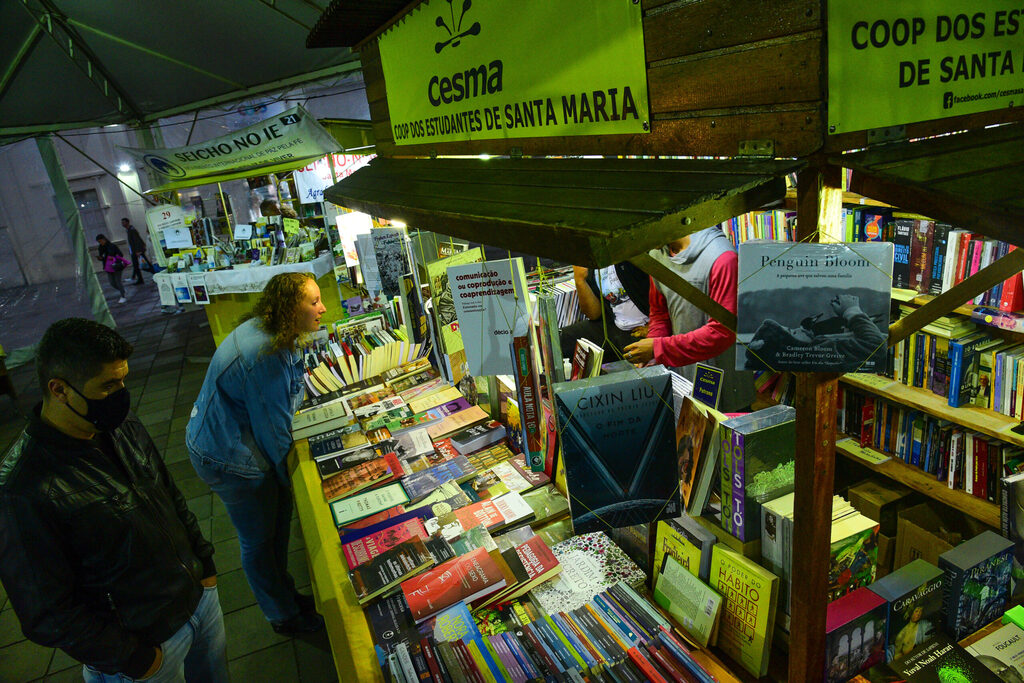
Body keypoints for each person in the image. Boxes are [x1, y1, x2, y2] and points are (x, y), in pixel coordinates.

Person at [0, 319, 226, 683]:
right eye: (108, 385)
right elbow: (46, 611)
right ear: (59, 390)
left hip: (198, 604)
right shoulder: (21, 490)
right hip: (145, 649)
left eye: (123, 380)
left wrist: (204, 561)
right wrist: (131, 657)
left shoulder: (119, 424)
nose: (122, 394)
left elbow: (166, 491)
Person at [186, 272, 327, 635]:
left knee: (273, 527)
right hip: (229, 458)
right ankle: (282, 615)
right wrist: (295, 488)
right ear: (288, 307)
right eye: (313, 302)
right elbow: (274, 435)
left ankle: (284, 595)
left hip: (222, 439)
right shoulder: (266, 352)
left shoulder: (268, 331)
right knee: (261, 539)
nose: (323, 308)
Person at [623, 226, 755, 412]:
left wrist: (658, 348)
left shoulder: (722, 258)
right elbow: (660, 314)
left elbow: (722, 333)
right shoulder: (657, 256)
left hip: (727, 381)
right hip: (685, 377)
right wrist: (652, 349)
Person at [560, 263, 650, 360]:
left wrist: (656, 328)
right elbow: (593, 314)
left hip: (645, 326)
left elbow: (664, 292)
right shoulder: (593, 267)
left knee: (635, 365)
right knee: (558, 341)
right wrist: (580, 280)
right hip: (614, 324)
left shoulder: (632, 257)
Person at [96, 233, 128, 303]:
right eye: (99, 242)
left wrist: (113, 257)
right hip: (108, 267)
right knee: (112, 282)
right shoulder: (100, 248)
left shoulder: (112, 246)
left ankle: (123, 296)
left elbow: (120, 254)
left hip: (116, 265)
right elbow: (102, 257)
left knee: (118, 281)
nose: (100, 243)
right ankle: (123, 291)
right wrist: (100, 258)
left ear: (104, 239)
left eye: (101, 241)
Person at [122, 217, 153, 285]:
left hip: (137, 251)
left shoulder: (132, 230)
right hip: (134, 251)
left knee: (145, 264)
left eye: (124, 222)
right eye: (122, 222)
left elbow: (136, 240)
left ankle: (154, 272)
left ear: (127, 222)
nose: (122, 224)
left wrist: (138, 251)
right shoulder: (129, 230)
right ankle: (139, 279)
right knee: (136, 265)